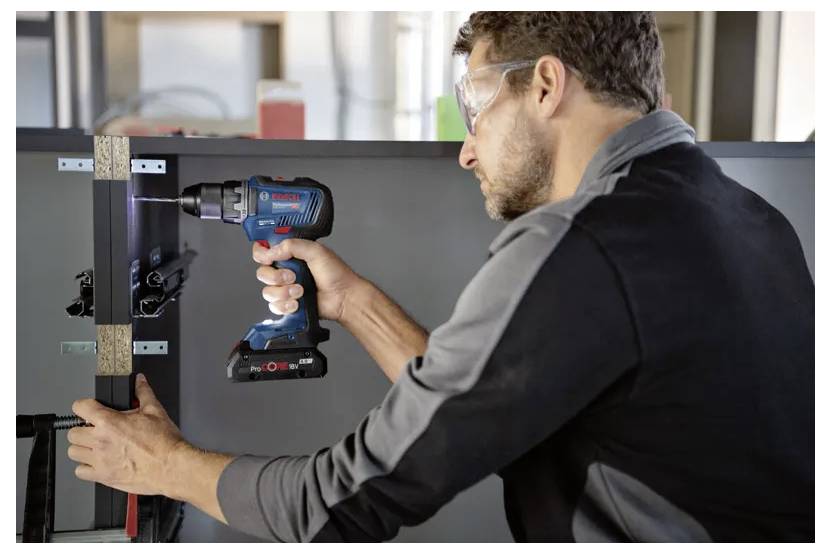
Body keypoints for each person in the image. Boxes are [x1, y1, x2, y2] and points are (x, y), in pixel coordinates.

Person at [67, 12, 814, 541]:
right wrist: (352, 301)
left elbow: (343, 506)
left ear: (546, 85)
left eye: (475, 106)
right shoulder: (748, 220)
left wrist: (163, 465)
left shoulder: (575, 245)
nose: (465, 149)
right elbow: (484, 413)